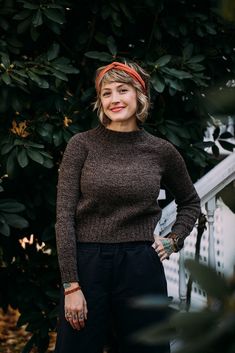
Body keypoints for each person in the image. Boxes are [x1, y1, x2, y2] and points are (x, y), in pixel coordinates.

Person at [54, 61, 201, 353]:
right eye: (106, 93)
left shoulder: (160, 150)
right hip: (88, 264)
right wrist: (71, 285)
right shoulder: (81, 145)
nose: (114, 99)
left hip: (140, 266)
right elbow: (63, 218)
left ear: (140, 95)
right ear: (100, 102)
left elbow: (190, 202)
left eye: (123, 90)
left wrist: (174, 240)